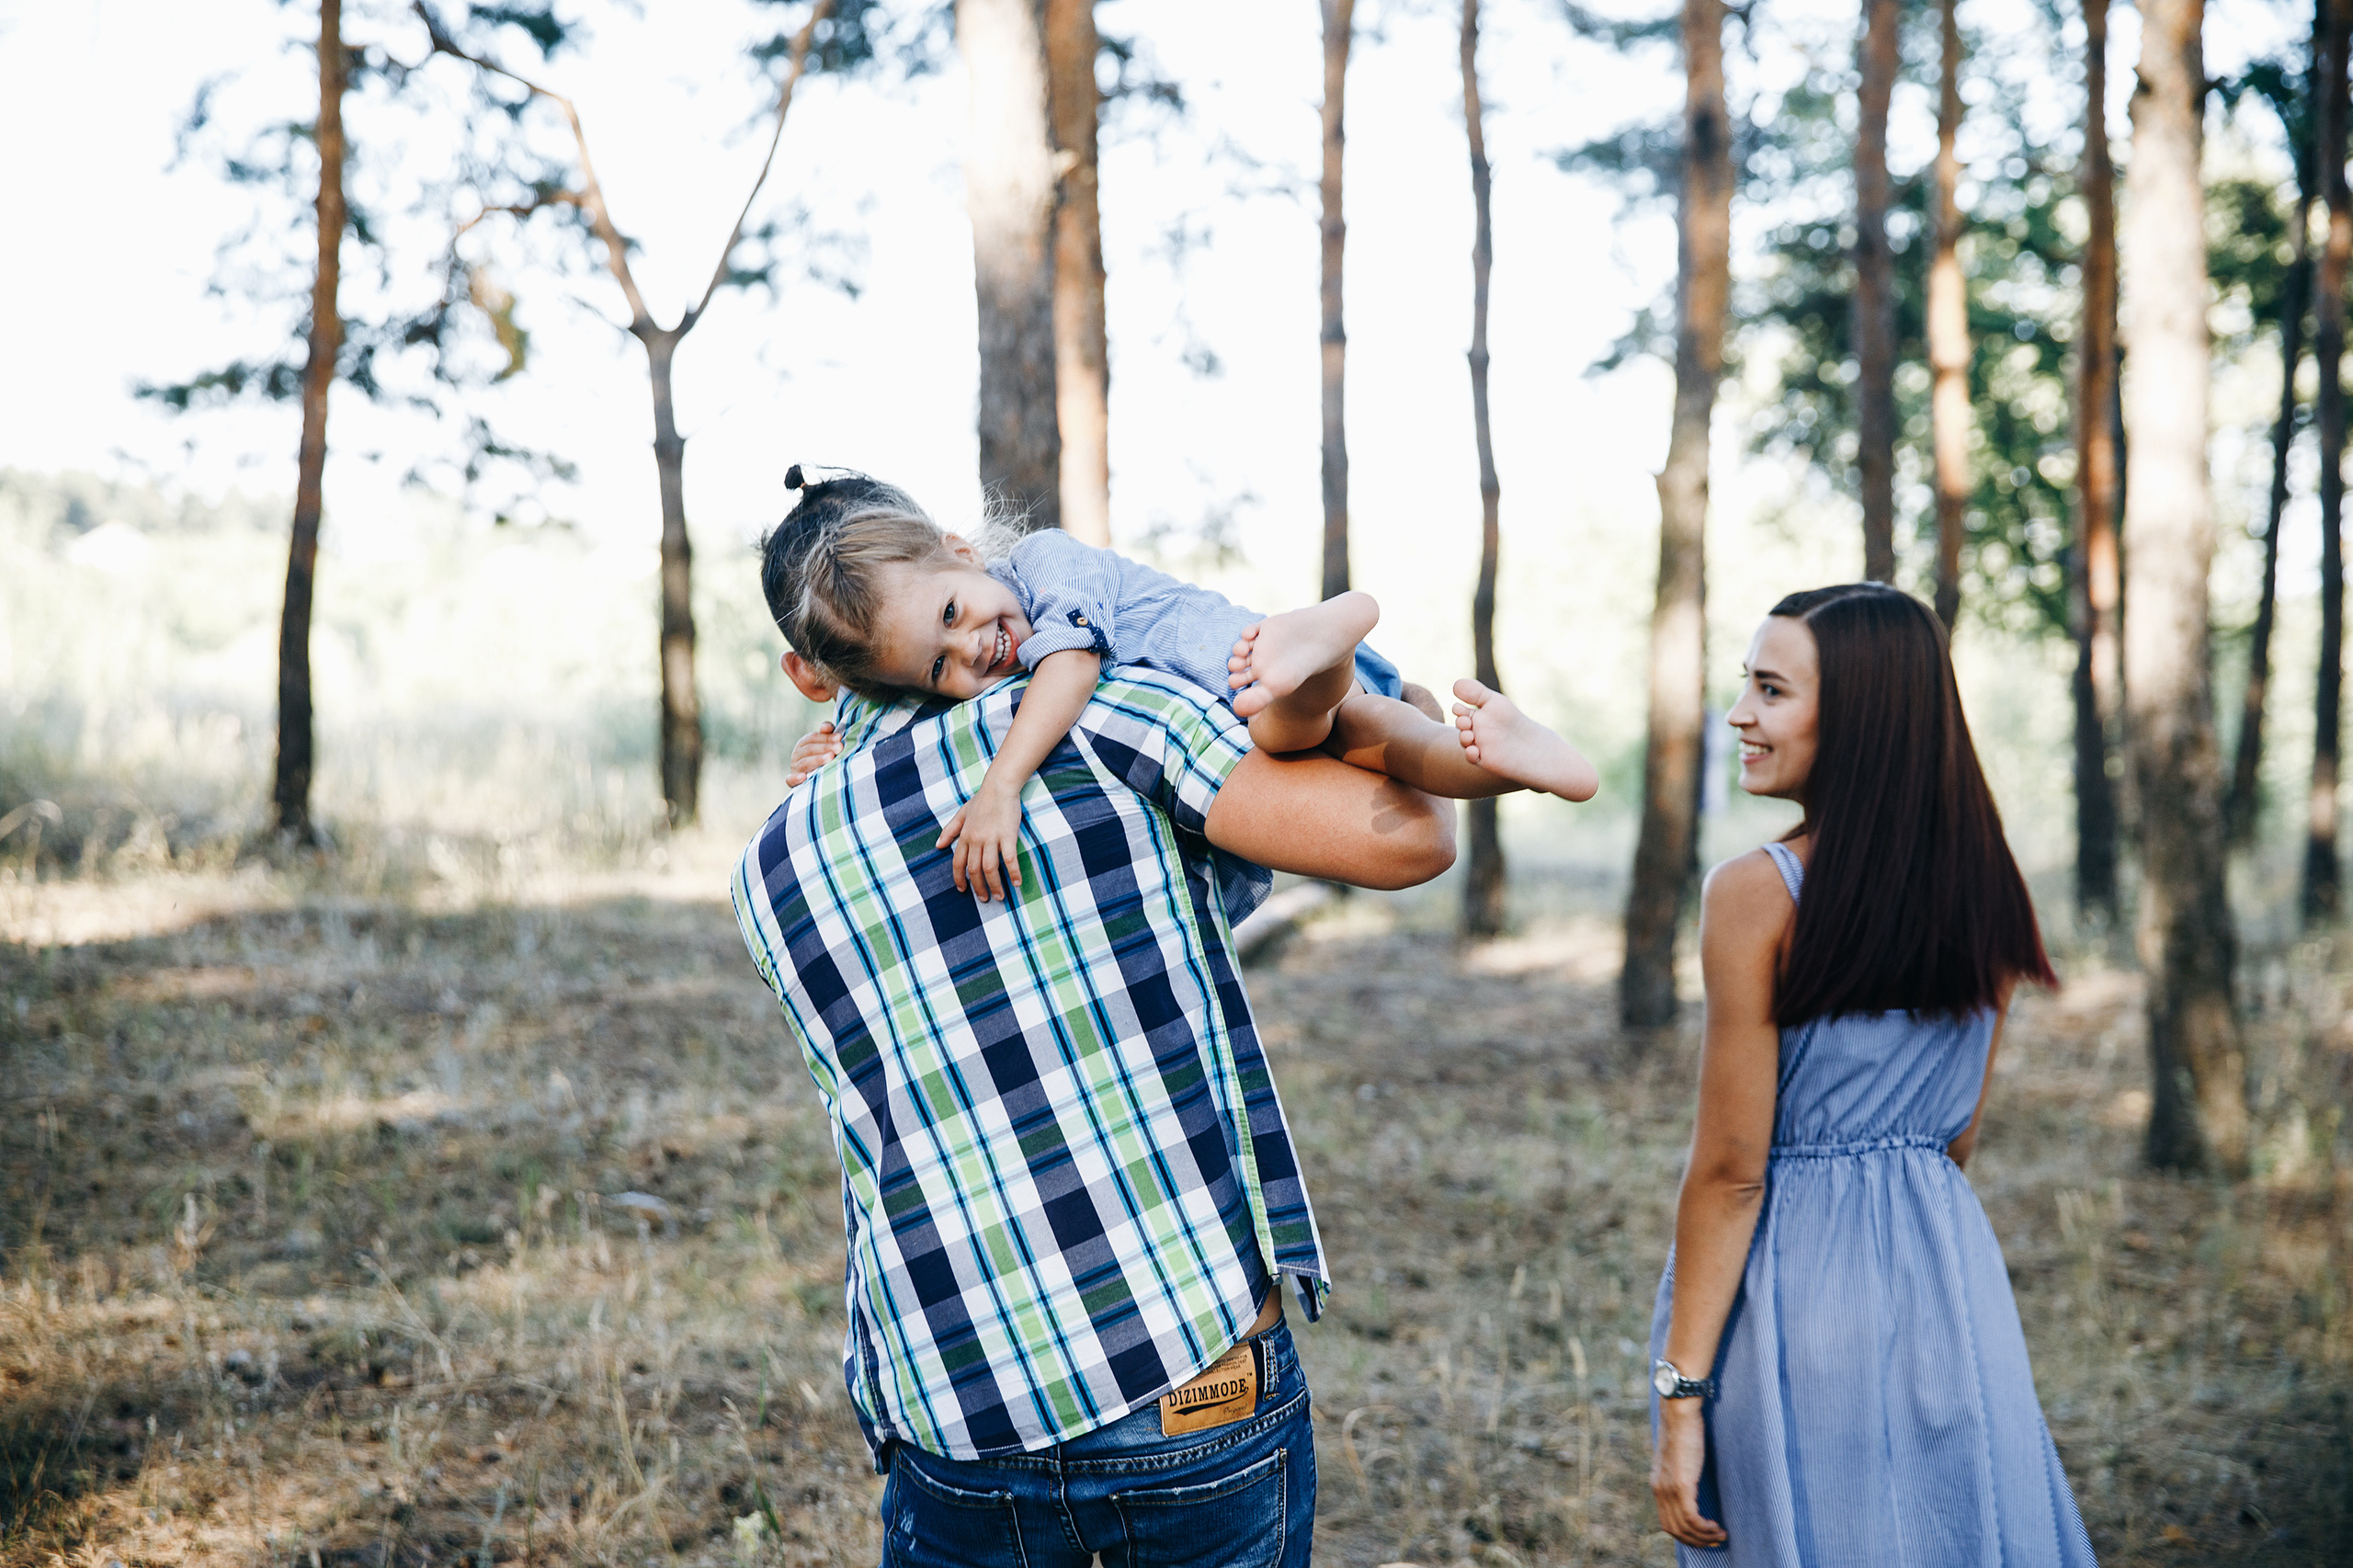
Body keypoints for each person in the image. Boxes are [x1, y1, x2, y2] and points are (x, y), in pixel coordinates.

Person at [732, 472, 1464, 1568]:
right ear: (946, 545)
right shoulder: (1116, 723)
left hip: (953, 1412)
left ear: (809, 677)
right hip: (1181, 1377)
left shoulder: (772, 858)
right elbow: (1409, 839)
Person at [1647, 583, 2095, 1566]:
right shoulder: (1988, 881)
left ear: (1857, 714)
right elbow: (1957, 1136)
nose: (1739, 714)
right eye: (1745, 685)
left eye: (1770, 690)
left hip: (1795, 1291)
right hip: (1947, 1278)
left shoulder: (1754, 891)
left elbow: (1731, 1168)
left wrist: (1679, 1391)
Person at [767, 465, 1596, 909]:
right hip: (1260, 698)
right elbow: (893, 708)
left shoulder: (1049, 568)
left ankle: (1325, 644)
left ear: (964, 551)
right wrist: (830, 748)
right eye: (937, 665)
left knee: (1317, 723)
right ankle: (1511, 760)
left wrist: (1001, 787)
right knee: (1401, 748)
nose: (973, 648)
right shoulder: (976, 641)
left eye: (955, 610)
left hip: (1237, 665)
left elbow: (1074, 666)